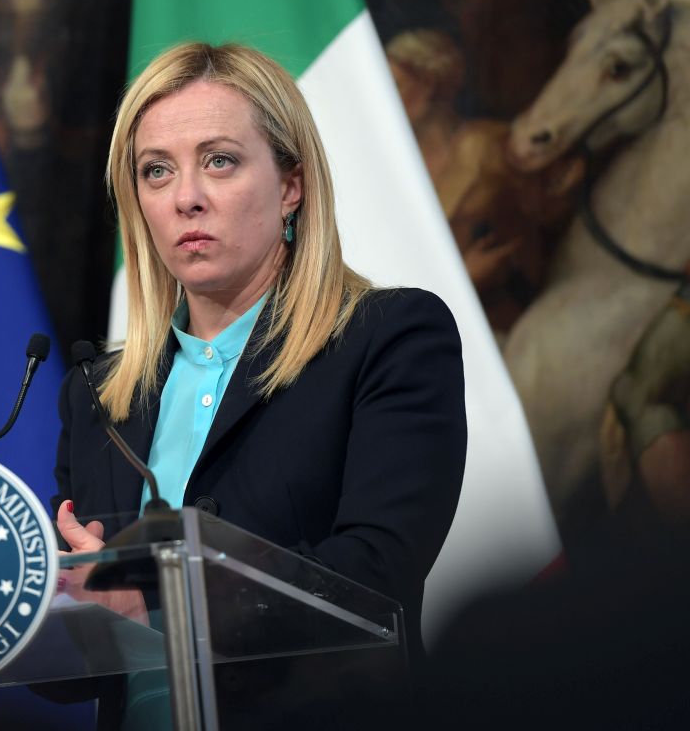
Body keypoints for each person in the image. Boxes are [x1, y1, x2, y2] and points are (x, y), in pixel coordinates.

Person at [51, 42, 467, 725]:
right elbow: (63, 678)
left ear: (291, 185)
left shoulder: (388, 340)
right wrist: (54, 600)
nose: (186, 197)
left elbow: (374, 576)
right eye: (156, 170)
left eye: (219, 161)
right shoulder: (100, 393)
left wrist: (152, 599)